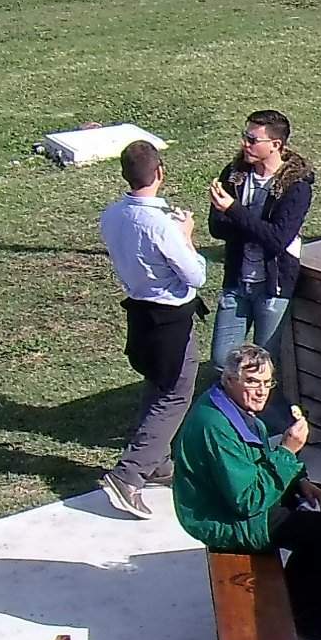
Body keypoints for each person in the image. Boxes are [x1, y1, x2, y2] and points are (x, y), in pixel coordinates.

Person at [170, 344, 321, 640]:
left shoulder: (231, 406)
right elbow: (248, 501)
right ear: (229, 380)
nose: (261, 391)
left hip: (245, 496)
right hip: (227, 517)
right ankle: (303, 613)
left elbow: (258, 458)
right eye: (252, 382)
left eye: (267, 383)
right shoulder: (215, 427)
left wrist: (298, 479)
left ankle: (298, 592)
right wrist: (288, 450)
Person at [96, 139, 207, 520]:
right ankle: (129, 476)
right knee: (175, 396)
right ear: (159, 172)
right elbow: (196, 275)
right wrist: (187, 236)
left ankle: (158, 463)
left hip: (140, 315)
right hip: (171, 319)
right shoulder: (161, 225)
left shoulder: (112, 215)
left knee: (158, 387)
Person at [207, 110, 314, 382]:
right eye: (245, 136)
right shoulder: (234, 175)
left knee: (265, 369)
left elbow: (278, 240)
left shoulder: (296, 187)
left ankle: (268, 419)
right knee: (222, 363)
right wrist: (253, 226)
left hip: (272, 287)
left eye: (252, 139)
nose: (245, 144)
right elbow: (216, 227)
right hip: (237, 284)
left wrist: (234, 210)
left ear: (275, 145)